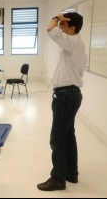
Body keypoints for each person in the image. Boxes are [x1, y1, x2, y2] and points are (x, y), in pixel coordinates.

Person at [37, 12, 87, 191]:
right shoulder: (75, 44)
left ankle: (57, 179)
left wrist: (56, 16)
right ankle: (71, 173)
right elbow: (54, 30)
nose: (60, 26)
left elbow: (49, 29)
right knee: (68, 136)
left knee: (57, 139)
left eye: (64, 24)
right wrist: (61, 19)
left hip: (66, 97)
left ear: (72, 28)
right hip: (70, 95)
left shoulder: (72, 42)